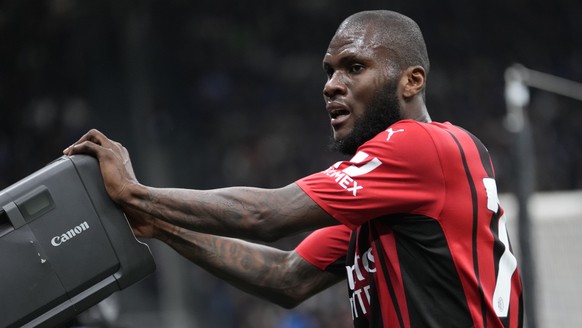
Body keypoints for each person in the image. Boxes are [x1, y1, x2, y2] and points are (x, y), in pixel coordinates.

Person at [64, 10, 523, 328]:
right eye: (328, 72)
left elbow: (269, 215)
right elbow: (286, 277)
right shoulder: (389, 199)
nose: (331, 86)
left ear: (412, 80)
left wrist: (134, 193)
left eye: (354, 67)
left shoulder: (420, 146)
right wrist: (160, 225)